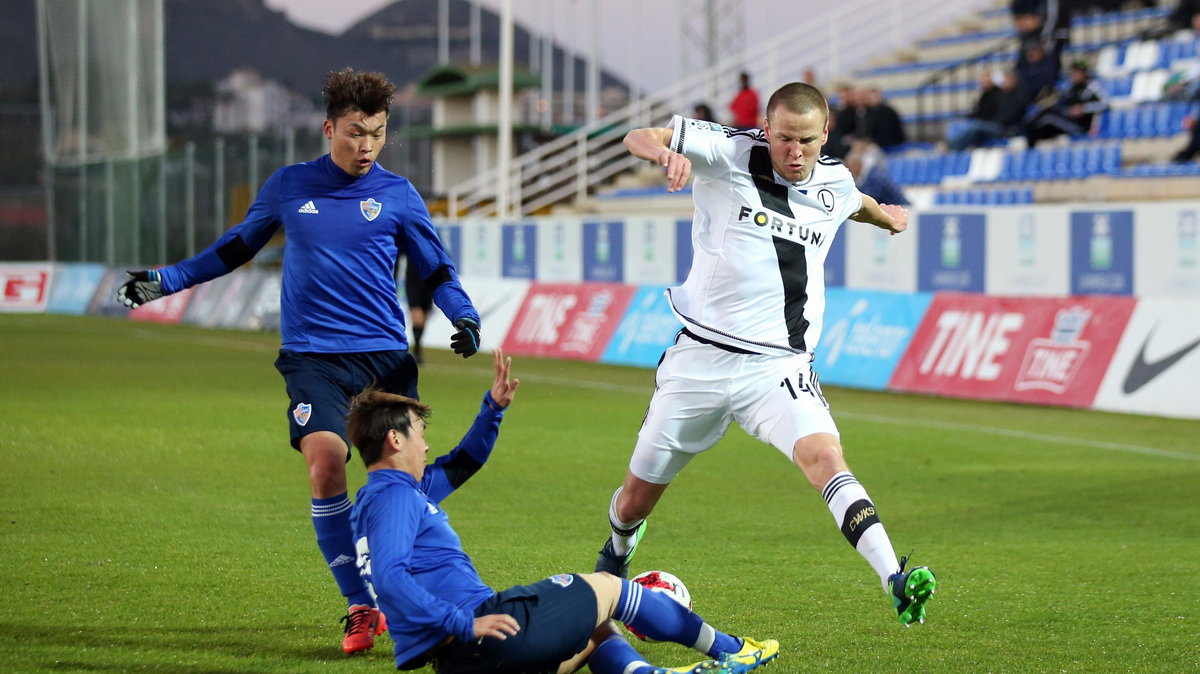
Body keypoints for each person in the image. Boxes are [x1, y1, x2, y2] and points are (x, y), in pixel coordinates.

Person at [116, 67, 483, 654]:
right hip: (314, 359)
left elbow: (436, 269)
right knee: (325, 464)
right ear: (328, 127)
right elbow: (235, 247)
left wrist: (464, 316)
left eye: (378, 134)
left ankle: (433, 598)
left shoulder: (398, 195)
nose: (366, 146)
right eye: (355, 132)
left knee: (402, 490)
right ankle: (360, 605)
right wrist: (166, 281)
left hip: (386, 363)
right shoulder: (290, 186)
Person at [594, 82, 936, 627]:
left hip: (779, 368)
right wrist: (664, 153)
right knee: (636, 499)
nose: (794, 153)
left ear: (826, 135)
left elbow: (856, 204)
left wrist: (885, 217)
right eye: (782, 140)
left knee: (825, 459)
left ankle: (893, 575)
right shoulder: (727, 151)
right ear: (766, 131)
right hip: (701, 359)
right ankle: (616, 549)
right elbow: (640, 134)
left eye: (805, 141)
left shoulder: (836, 180)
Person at [346, 349, 778, 673]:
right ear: (396, 441)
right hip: (486, 632)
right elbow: (389, 576)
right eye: (419, 433)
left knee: (595, 623)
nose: (425, 444)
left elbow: (464, 463)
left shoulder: (382, 498)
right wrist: (463, 623)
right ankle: (733, 647)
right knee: (611, 588)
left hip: (465, 662)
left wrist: (492, 410)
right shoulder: (397, 498)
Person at [1024, 59, 1106, 147]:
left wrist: (1083, 108)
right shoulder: (1069, 87)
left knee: (1048, 115)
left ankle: (1023, 127)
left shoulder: (1092, 87)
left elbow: (1104, 104)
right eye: (1073, 72)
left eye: (1078, 72)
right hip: (1065, 121)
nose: (1075, 75)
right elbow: (1060, 103)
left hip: (1079, 125)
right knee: (1036, 131)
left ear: (1084, 73)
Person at [948, 69, 1030, 151]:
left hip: (1006, 128)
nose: (1005, 82)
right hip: (996, 124)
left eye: (1007, 80)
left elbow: (1011, 116)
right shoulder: (1003, 95)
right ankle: (955, 148)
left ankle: (953, 148)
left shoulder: (1017, 96)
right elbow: (980, 112)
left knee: (976, 127)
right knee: (965, 127)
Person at [844, 140, 909, 206]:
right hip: (890, 208)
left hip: (900, 207)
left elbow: (870, 201)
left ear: (857, 164)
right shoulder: (864, 176)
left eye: (850, 167)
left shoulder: (873, 176)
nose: (850, 170)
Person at [403, 254, 434, 364]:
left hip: (428, 281)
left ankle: (417, 348)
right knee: (417, 316)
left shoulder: (431, 241)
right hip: (413, 281)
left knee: (424, 317)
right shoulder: (408, 239)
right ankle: (416, 351)